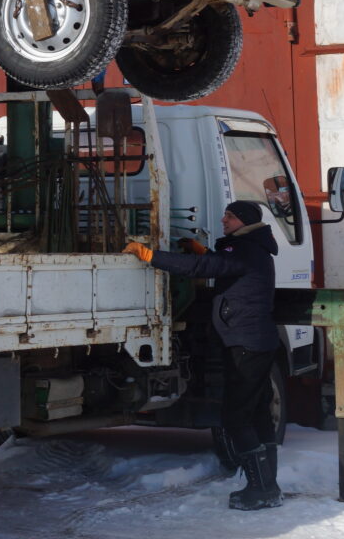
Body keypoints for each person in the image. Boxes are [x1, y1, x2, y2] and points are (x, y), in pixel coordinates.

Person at [123, 199, 282, 511]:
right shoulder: (251, 247)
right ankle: (267, 486)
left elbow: (204, 269)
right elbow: (220, 264)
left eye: (230, 216)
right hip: (254, 342)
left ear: (245, 221)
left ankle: (262, 488)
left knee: (235, 417)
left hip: (246, 344)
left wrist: (150, 255)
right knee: (259, 412)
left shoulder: (246, 249)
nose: (223, 220)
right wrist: (205, 252)